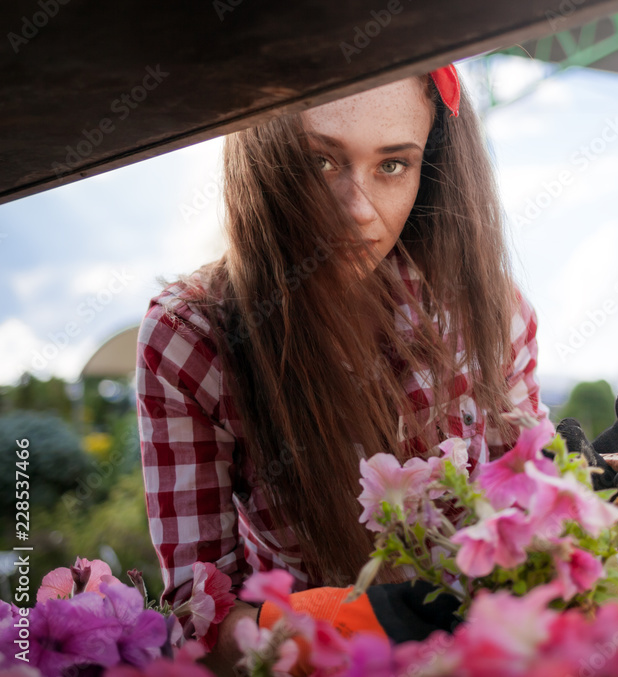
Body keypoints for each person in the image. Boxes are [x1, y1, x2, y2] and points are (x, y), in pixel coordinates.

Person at [135, 65, 548, 672]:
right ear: (263, 153)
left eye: (392, 165)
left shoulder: (493, 311)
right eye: (321, 162)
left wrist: (576, 496)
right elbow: (200, 620)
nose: (357, 211)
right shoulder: (191, 337)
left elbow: (533, 523)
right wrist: (326, 624)